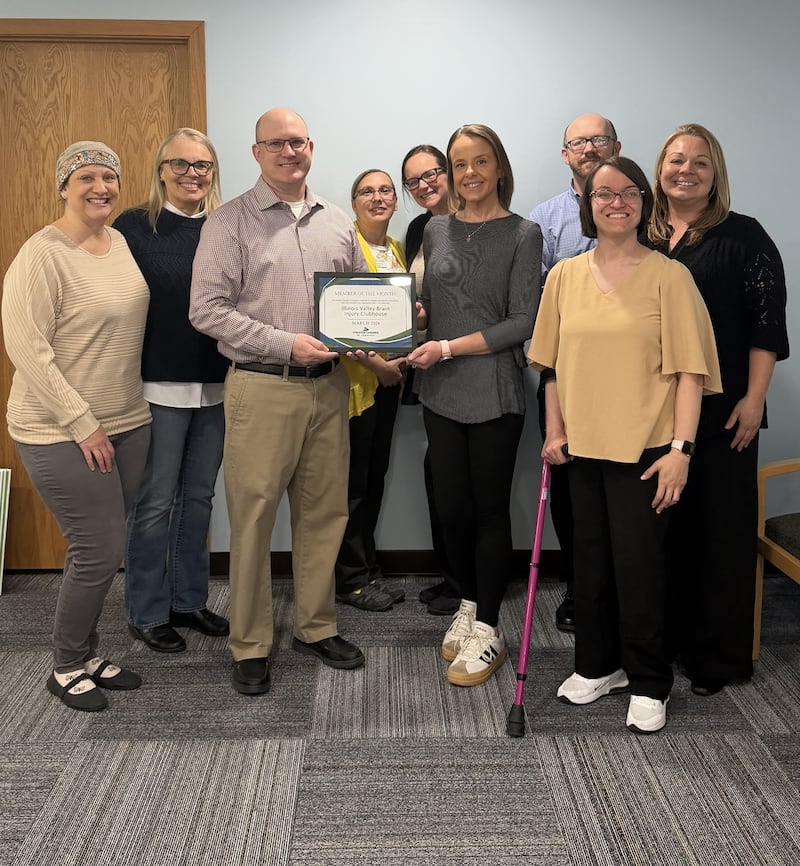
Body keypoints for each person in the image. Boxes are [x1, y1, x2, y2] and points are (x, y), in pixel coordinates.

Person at [528, 156, 722, 733]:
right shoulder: (564, 276)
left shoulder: (669, 276)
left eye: (629, 192)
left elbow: (691, 373)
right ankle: (597, 664)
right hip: (580, 450)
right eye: (603, 194)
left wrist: (681, 451)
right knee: (588, 569)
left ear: (644, 202)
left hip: (647, 452)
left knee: (640, 570)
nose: (617, 202)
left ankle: (648, 680)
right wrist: (555, 432)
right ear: (587, 206)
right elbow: (552, 367)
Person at [189, 108, 367, 696]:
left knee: (324, 513)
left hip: (328, 388)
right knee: (254, 519)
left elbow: (357, 300)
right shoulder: (229, 221)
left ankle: (316, 626)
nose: (289, 152)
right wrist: (285, 342)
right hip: (261, 386)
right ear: (257, 151)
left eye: (298, 142)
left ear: (311, 146)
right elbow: (207, 310)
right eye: (277, 144)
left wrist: (393, 324)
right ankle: (250, 643)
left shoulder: (337, 222)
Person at [2, 141, 151, 712]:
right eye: (86, 177)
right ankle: (65, 665)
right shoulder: (41, 253)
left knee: (102, 545)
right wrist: (82, 422)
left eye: (109, 177)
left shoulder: (118, 245)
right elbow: (26, 347)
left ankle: (87, 653)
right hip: (59, 428)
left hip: (128, 420)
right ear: (63, 185)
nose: (100, 187)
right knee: (98, 546)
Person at [648, 124, 789, 695]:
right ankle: (666, 643)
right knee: (664, 533)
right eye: (676, 159)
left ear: (715, 173)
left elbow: (766, 325)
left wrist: (755, 399)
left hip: (728, 410)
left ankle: (716, 659)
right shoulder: (642, 236)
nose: (686, 169)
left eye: (699, 162)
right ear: (659, 169)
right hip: (654, 412)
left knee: (719, 534)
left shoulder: (745, 236)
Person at [407, 124, 541, 688]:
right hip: (440, 389)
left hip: (495, 389)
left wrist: (446, 345)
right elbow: (428, 305)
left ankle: (489, 626)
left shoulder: (523, 233)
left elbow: (522, 321)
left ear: (500, 167)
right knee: (454, 508)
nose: (469, 173)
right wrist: (410, 323)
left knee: (489, 511)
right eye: (459, 164)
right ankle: (467, 601)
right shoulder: (436, 229)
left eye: (480, 161)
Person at [113, 128, 230, 653]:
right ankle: (146, 609)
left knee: (200, 499)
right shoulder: (134, 227)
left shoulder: (226, 226)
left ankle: (188, 600)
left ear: (213, 172)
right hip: (157, 384)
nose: (191, 174)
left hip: (219, 384)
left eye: (202, 165)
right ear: (160, 170)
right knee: (155, 501)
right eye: (179, 164)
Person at [529, 113, 621, 632]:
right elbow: (535, 301)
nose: (589, 148)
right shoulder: (543, 218)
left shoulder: (638, 206)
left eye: (598, 139)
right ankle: (580, 587)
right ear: (565, 154)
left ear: (617, 145)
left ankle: (620, 583)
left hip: (630, 375)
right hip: (564, 372)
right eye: (578, 142)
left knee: (623, 478)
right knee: (568, 481)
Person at [334, 169, 407, 611]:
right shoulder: (345, 244)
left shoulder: (394, 248)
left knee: (374, 477)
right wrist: (379, 366)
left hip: (389, 384)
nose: (377, 198)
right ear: (354, 201)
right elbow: (338, 320)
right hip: (358, 385)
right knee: (353, 485)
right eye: (367, 191)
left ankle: (367, 569)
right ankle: (349, 580)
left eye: (385, 190)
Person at [400, 144, 459, 616]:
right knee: (439, 474)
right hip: (430, 366)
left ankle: (471, 583)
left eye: (432, 173)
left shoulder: (486, 222)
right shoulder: (419, 228)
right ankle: (452, 576)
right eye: (413, 180)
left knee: (468, 481)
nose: (424, 184)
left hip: (471, 364)